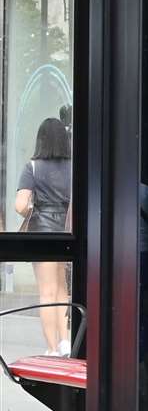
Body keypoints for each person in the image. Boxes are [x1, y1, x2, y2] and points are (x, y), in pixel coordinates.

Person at [14, 117, 73, 355]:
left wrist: (30, 207)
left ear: (41, 140)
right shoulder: (74, 166)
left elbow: (20, 206)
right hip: (69, 231)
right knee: (64, 290)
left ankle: (51, 348)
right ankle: (67, 342)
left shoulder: (33, 167)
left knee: (47, 291)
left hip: (42, 232)